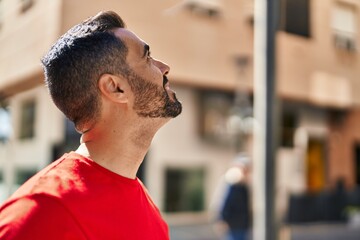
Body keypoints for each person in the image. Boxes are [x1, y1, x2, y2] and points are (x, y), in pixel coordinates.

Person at [0, 11, 182, 239]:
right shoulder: (41, 212)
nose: (164, 67)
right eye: (147, 58)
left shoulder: (151, 212)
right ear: (115, 87)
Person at [219, 154, 251, 240]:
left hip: (243, 225)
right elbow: (224, 203)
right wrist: (222, 219)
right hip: (234, 226)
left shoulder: (243, 186)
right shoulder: (232, 185)